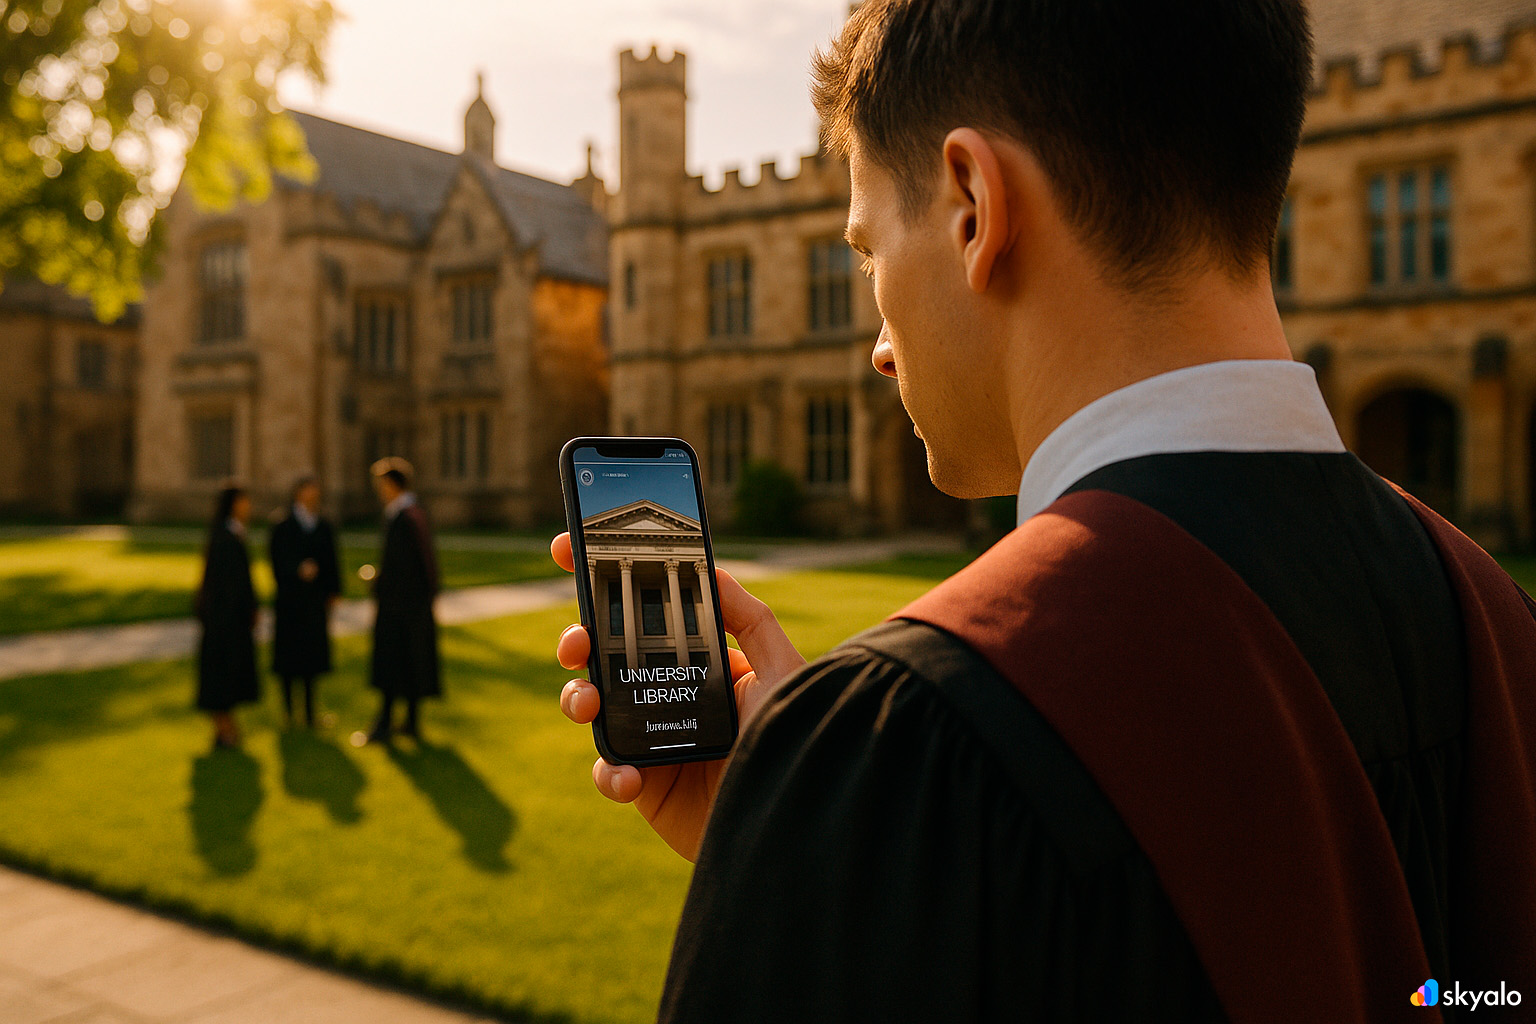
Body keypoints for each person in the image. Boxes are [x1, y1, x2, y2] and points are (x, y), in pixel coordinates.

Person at [550, 1, 1536, 1021]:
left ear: (975, 205)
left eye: (870, 250)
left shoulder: (913, 751)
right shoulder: (1501, 628)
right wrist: (796, 812)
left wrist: (822, 826)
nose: (878, 347)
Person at [362, 457, 441, 744]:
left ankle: (387, 723)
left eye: (382, 484)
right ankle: (409, 722)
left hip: (402, 607)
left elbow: (409, 566)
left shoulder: (406, 516)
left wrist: (381, 583)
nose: (380, 490)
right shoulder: (410, 513)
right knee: (409, 662)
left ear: (392, 484)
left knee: (394, 662)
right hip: (410, 605)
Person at [269, 474, 343, 728]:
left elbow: (332, 560)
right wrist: (296, 570)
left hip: (314, 601)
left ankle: (311, 714)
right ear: (298, 492)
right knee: (289, 659)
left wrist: (334, 591)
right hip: (290, 601)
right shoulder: (282, 525)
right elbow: (276, 560)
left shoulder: (323, 525)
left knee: (312, 659)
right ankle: (289, 713)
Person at [196, 482, 259, 750]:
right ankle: (223, 730)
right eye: (244, 501)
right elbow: (223, 584)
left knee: (228, 677)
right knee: (220, 676)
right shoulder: (224, 538)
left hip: (231, 619)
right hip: (223, 620)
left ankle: (228, 728)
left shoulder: (231, 534)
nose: (248, 507)